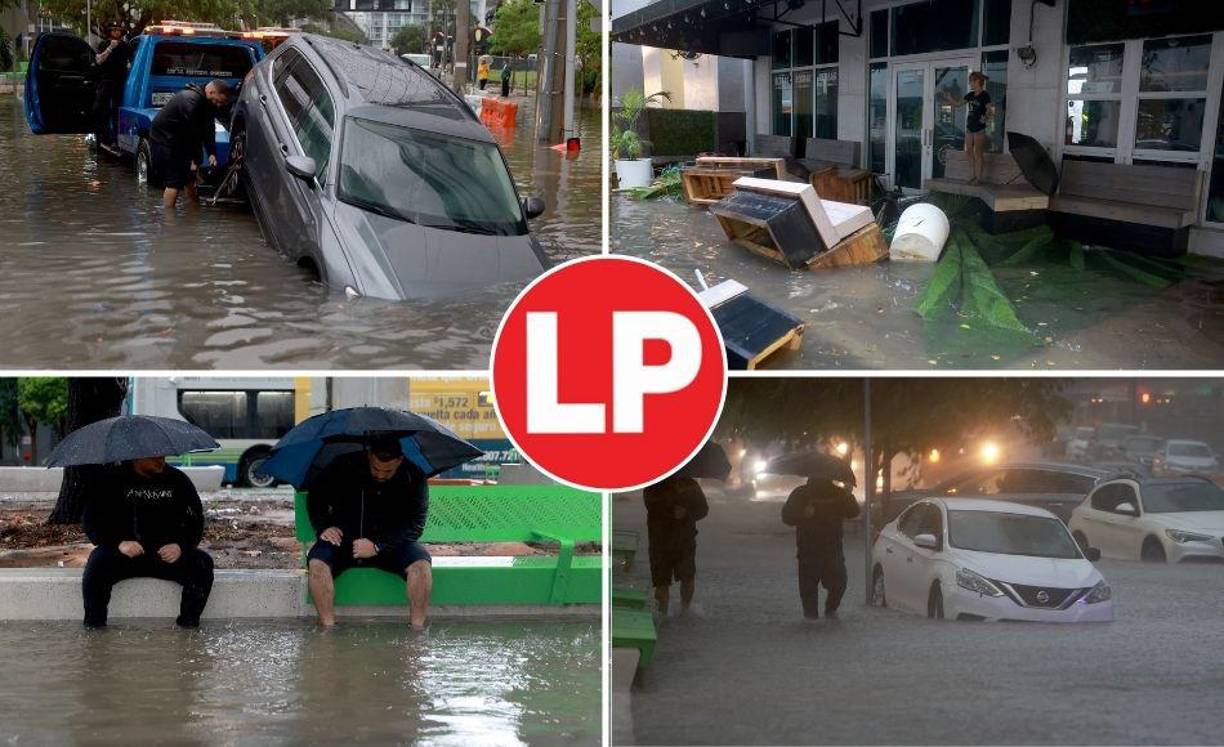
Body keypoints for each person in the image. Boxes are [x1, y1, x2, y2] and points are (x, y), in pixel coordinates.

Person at [305, 438, 432, 629]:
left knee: (421, 566)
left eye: (388, 471)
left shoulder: (414, 476)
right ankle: (328, 628)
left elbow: (415, 526)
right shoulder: (342, 465)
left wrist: (378, 546)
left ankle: (417, 629)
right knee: (317, 563)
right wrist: (323, 527)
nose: (381, 475)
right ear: (370, 455)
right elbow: (315, 497)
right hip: (343, 541)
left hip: (392, 544)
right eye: (376, 469)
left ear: (399, 460)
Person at [80, 456, 213, 628]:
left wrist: (180, 545)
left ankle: (188, 627)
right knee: (97, 564)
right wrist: (119, 543)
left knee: (202, 563)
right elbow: (91, 522)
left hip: (165, 555)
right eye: (155, 457)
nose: (161, 461)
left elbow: (196, 521)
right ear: (138, 457)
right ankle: (95, 628)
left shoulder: (178, 480)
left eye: (163, 456)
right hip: (125, 554)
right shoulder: (109, 480)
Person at [781, 477, 860, 620]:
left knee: (838, 584)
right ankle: (813, 618)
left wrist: (848, 495)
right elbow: (786, 517)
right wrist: (803, 514)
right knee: (809, 590)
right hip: (809, 551)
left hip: (831, 549)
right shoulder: (801, 494)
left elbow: (853, 512)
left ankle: (829, 611)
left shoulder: (838, 494)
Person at [148, 79, 232, 209]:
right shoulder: (191, 101)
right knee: (174, 181)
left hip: (179, 139)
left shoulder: (208, 103)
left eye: (221, 103)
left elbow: (209, 128)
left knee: (190, 179)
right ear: (211, 92)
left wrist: (212, 152)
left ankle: (194, 211)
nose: (218, 105)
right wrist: (195, 159)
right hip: (164, 139)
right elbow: (192, 134)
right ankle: (169, 218)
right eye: (217, 101)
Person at [643, 474, 708, 616]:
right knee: (661, 582)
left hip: (684, 540)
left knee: (687, 577)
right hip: (660, 541)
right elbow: (651, 505)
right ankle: (662, 616)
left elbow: (703, 509)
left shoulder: (690, 485)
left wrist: (686, 512)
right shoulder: (654, 484)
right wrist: (672, 508)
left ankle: (685, 610)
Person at [941, 71, 994, 184]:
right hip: (970, 127)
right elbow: (958, 104)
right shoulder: (970, 95)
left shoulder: (985, 95)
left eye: (971, 81)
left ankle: (978, 178)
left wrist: (985, 117)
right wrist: (949, 97)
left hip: (979, 128)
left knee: (978, 153)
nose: (970, 83)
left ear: (977, 81)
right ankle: (972, 176)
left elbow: (990, 110)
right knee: (969, 151)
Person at [91, 22, 132, 147]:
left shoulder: (125, 46)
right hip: (106, 80)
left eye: (118, 30)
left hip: (120, 81)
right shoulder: (104, 44)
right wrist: (110, 48)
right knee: (98, 108)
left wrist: (128, 68)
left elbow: (130, 63)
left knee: (116, 110)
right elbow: (98, 60)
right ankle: (100, 136)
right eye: (114, 29)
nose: (116, 32)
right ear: (109, 31)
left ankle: (115, 139)